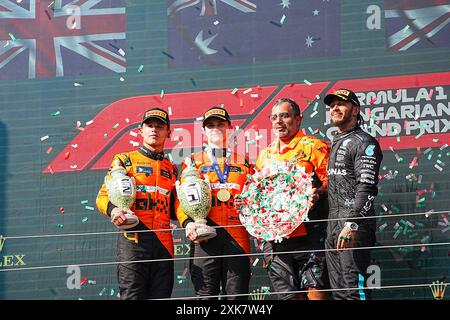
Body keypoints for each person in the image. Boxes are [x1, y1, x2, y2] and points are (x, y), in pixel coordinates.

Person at [96, 108, 178, 300]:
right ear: (141, 130)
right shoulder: (124, 160)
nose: (154, 130)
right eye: (149, 125)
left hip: (163, 244)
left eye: (160, 126)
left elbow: (176, 209)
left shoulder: (172, 169)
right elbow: (102, 197)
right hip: (133, 241)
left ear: (169, 132)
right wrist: (114, 209)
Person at [256, 98, 330, 300]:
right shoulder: (265, 155)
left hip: (311, 233)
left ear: (298, 120)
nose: (279, 121)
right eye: (274, 117)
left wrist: (318, 192)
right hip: (277, 238)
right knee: (288, 295)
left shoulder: (314, 146)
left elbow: (333, 182)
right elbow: (258, 193)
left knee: (316, 288)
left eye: (285, 116)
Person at [176, 106, 254, 300]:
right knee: (205, 296)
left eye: (221, 124)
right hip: (205, 236)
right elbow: (181, 200)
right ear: (203, 131)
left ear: (230, 128)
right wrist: (188, 224)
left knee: (237, 297)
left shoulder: (244, 162)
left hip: (238, 236)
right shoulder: (192, 162)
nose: (216, 128)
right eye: (210, 125)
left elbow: (256, 197)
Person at [323, 89, 383, 300]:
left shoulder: (364, 142)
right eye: (332, 106)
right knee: (339, 294)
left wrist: (352, 223)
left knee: (354, 292)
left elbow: (367, 187)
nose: (335, 108)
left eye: (341, 104)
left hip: (352, 226)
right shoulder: (337, 141)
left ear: (356, 110)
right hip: (333, 224)